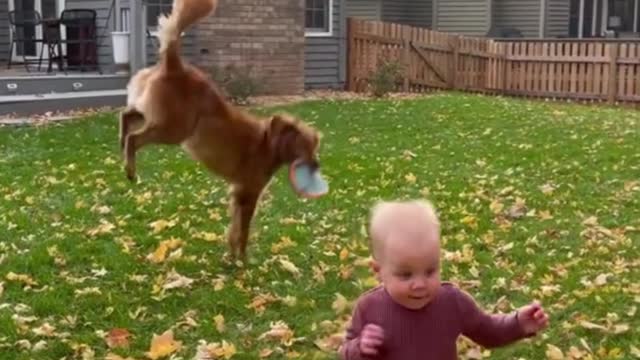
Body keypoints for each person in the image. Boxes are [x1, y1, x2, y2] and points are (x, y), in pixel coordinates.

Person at [339, 199, 549, 360]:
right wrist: (361, 347)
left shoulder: (452, 302)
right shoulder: (370, 308)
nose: (420, 284)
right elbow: (346, 352)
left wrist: (518, 323)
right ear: (379, 271)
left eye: (430, 271)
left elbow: (487, 330)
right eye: (405, 275)